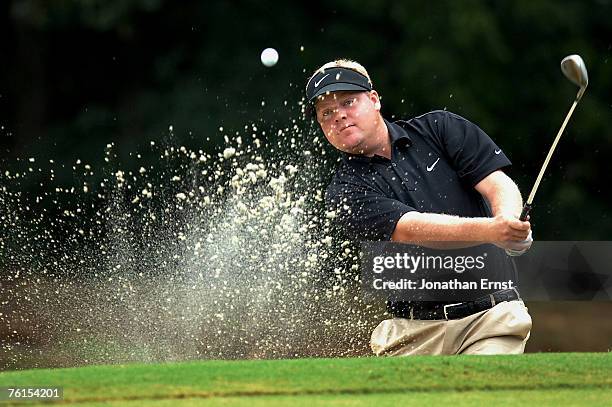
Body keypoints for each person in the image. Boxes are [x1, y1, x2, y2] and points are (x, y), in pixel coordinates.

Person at [305, 59, 533, 356]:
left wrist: (509, 221)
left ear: (374, 100)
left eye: (348, 102)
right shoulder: (344, 191)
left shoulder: (440, 128)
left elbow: (496, 183)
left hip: (490, 319)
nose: (339, 116)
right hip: (412, 333)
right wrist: (492, 230)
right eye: (327, 113)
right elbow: (410, 228)